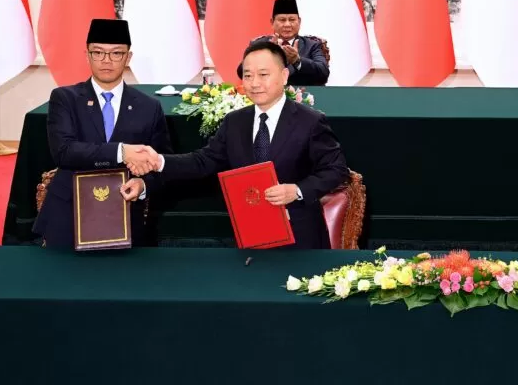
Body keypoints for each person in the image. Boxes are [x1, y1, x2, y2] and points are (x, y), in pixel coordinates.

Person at [126, 40, 349, 249]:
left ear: (283, 76)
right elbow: (203, 161)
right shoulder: (235, 121)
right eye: (248, 75)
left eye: (263, 75)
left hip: (300, 238)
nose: (254, 83)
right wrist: (159, 161)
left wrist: (297, 190)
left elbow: (335, 169)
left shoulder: (310, 121)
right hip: (249, 235)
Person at [33, 18, 171, 247]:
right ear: (87, 55)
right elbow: (64, 152)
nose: (106, 60)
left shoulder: (149, 107)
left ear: (128, 57)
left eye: (116, 53)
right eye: (98, 52)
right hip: (69, 212)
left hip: (125, 215)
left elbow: (162, 164)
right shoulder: (64, 98)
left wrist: (143, 185)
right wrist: (121, 152)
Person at [259, 0, 329, 86]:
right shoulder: (260, 44)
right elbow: (242, 70)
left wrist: (297, 61)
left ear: (299, 22)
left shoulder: (312, 45)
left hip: (303, 97)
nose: (287, 24)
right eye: (282, 20)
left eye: (292, 20)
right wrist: (267, 54)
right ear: (272, 22)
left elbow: (324, 73)